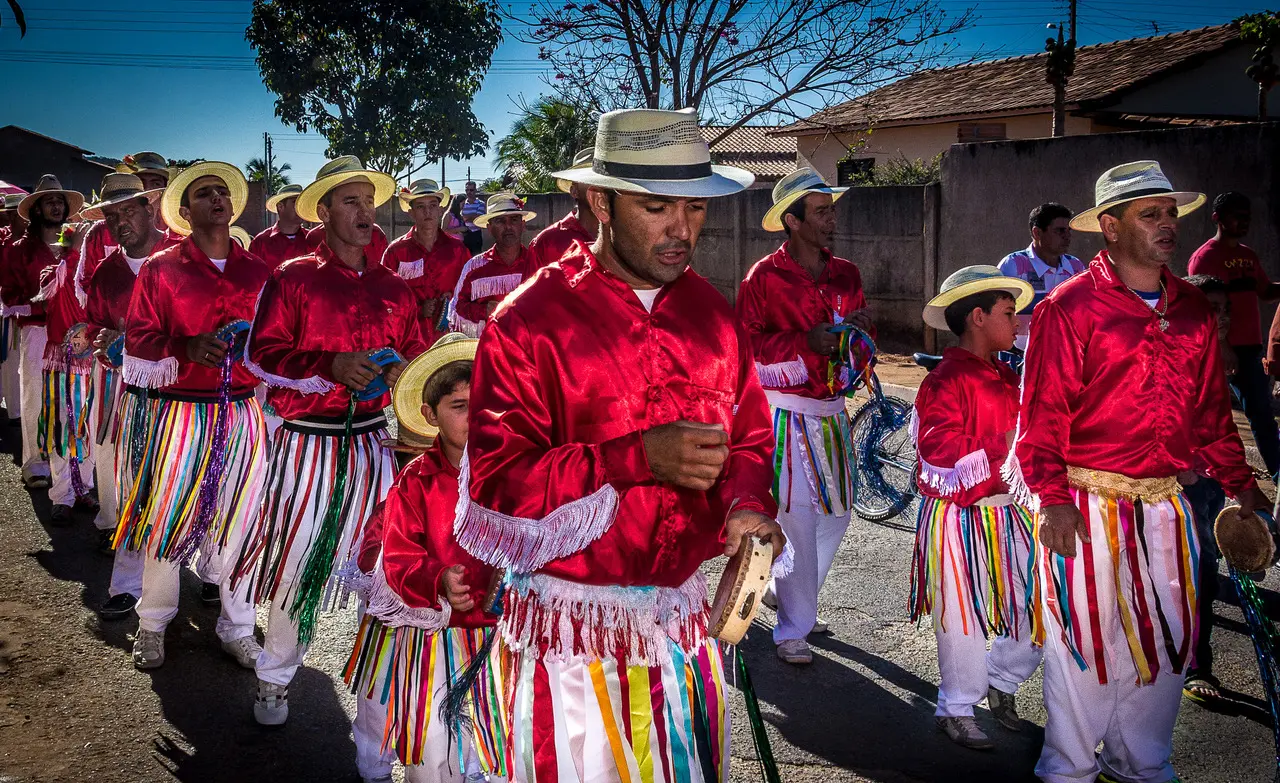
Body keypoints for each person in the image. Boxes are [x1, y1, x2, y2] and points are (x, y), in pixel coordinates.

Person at [457, 107, 787, 781]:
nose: (682, 230)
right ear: (598, 199)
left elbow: (750, 438)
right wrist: (635, 458)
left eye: (695, 210)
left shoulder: (714, 317)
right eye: (657, 207)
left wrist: (747, 504)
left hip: (681, 630)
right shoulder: (525, 322)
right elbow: (496, 485)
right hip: (569, 645)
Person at [1009, 160, 1270, 783]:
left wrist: (1241, 483)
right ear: (1109, 226)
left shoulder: (1191, 310)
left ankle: (1140, 762)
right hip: (1088, 501)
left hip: (1169, 505)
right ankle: (1068, 767)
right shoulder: (1066, 310)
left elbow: (1210, 416)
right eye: (1149, 215)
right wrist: (1052, 500)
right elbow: (1039, 422)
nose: (1167, 225)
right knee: (1088, 643)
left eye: (1171, 214)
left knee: (1169, 637)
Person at [228, 155, 427, 727]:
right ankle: (274, 676)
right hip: (308, 446)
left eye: (369, 201)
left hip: (377, 447)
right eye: (351, 202)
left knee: (386, 567)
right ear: (323, 211)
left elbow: (417, 359)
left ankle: (382, 697)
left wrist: (404, 376)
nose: (365, 212)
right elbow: (261, 355)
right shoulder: (292, 276)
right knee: (300, 561)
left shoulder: (395, 286)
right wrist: (330, 364)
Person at [116, 161, 269, 671]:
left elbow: (278, 343)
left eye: (222, 191)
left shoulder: (261, 273)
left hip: (245, 412)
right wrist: (185, 346)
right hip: (181, 414)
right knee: (166, 516)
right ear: (184, 212)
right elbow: (136, 344)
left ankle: (239, 626)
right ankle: (153, 622)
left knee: (242, 518)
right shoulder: (162, 270)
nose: (216, 199)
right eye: (203, 194)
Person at [346, 334, 508, 783]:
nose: (474, 418)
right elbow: (396, 555)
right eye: (459, 406)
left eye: (482, 405)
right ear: (429, 414)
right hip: (433, 635)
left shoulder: (515, 471)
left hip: (498, 634)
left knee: (499, 737)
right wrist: (436, 580)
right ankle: (374, 761)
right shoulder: (416, 482)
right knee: (431, 741)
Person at [736, 167, 871, 665]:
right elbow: (745, 348)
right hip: (786, 413)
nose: (831, 218)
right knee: (794, 521)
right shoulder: (763, 278)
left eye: (831, 209)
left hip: (834, 410)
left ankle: (784, 590)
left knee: (838, 514)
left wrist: (855, 339)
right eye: (821, 211)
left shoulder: (847, 274)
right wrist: (805, 342)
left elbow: (857, 338)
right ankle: (793, 629)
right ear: (792, 221)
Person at [912, 265, 1041, 750]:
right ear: (979, 317)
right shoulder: (944, 380)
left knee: (1041, 596)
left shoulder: (1006, 372)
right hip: (958, 515)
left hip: (1011, 508)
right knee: (960, 614)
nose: (1017, 323)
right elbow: (937, 451)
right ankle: (957, 706)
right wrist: (1003, 445)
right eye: (1010, 314)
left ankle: (1002, 678)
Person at [81, 172, 174, 620]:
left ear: (150, 207)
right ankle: (127, 583)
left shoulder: (181, 258)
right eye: (112, 215)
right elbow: (95, 327)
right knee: (136, 484)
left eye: (129, 211)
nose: (121, 222)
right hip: (132, 395)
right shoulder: (106, 273)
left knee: (197, 484)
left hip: (185, 395)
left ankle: (214, 576)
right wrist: (100, 341)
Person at [1189, 191, 1280, 478]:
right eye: (1237, 216)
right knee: (1212, 416)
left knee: (1262, 417)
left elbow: (1265, 292)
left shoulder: (1248, 255)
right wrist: (1223, 345)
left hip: (1251, 348)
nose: (1244, 222)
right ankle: (1213, 476)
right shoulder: (1204, 258)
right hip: (1220, 349)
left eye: (1247, 217)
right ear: (1217, 218)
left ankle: (1276, 476)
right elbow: (1203, 308)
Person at [1, 176, 82, 491]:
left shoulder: (77, 244)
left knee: (72, 399)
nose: (56, 205)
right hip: (37, 333)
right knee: (35, 395)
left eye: (60, 200)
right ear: (36, 209)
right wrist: (41, 309)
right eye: (49, 200)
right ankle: (34, 463)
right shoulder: (20, 249)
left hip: (73, 333)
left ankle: (72, 467)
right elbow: (10, 296)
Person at [31, 193, 100, 524]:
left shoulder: (95, 273)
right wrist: (72, 253)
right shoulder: (55, 272)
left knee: (87, 424)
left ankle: (83, 488)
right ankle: (62, 495)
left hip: (92, 359)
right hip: (62, 361)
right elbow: (48, 297)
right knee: (63, 426)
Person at [1179, 273, 1232, 706]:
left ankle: (1195, 660)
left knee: (1203, 577)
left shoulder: (1218, 357)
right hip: (1175, 483)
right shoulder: (1168, 354)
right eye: (1210, 308)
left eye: (1222, 309)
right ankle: (1191, 662)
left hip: (1209, 481)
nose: (1219, 318)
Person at [382, 179, 471, 346]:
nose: (427, 212)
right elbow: (384, 301)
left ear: (440, 210)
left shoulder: (458, 251)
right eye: (420, 207)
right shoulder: (396, 252)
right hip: (409, 343)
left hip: (449, 340)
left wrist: (451, 300)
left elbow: (469, 294)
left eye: (432, 205)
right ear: (412, 213)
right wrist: (417, 309)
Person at [996, 203, 1084, 357]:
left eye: (1069, 231)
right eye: (1060, 231)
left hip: (1065, 357)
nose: (1067, 236)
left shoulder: (1076, 267)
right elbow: (998, 312)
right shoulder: (1014, 264)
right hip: (1017, 357)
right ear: (1037, 232)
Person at [448, 193, 537, 338]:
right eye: (500, 221)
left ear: (523, 224)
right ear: (489, 228)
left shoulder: (537, 264)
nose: (508, 226)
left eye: (514, 220)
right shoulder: (474, 267)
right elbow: (455, 310)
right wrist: (483, 311)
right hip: (487, 350)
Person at [527, 148, 598, 268]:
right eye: (591, 180)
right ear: (574, 191)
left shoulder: (625, 236)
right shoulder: (547, 243)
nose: (601, 187)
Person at [0, 193, 27, 425]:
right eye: (17, 213)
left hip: (26, 312)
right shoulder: (4, 241)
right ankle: (13, 413)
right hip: (7, 309)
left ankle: (18, 412)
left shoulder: (35, 242)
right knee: (8, 361)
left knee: (20, 360)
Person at [249, 184, 309, 270]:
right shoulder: (260, 242)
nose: (301, 208)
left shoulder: (312, 239)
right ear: (280, 207)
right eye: (296, 203)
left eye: (302, 203)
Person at [458, 181, 486, 255]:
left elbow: (478, 218)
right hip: (464, 235)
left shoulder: (481, 203)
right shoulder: (462, 204)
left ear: (475, 190)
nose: (469, 192)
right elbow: (458, 217)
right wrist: (471, 216)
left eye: (471, 190)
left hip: (475, 234)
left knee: (475, 258)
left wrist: (465, 217)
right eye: (467, 190)